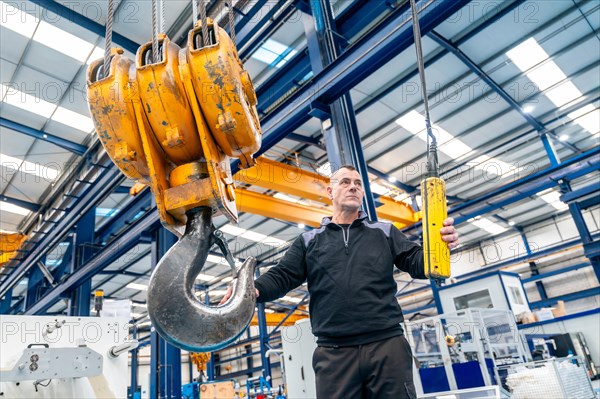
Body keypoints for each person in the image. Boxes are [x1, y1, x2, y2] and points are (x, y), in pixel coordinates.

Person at [221, 165, 459, 398]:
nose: (353, 187)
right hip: (334, 354)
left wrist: (440, 246)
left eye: (358, 184)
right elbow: (283, 275)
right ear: (330, 192)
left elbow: (418, 262)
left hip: (386, 346)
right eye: (345, 182)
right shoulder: (309, 241)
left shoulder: (385, 232)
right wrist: (252, 289)